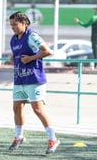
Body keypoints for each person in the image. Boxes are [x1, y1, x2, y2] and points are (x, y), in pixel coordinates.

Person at [8, 11, 60, 154]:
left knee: (38, 110)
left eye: (15, 24)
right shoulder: (13, 39)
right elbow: (16, 53)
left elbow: (47, 51)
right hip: (19, 79)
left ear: (24, 23)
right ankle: (19, 136)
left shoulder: (32, 36)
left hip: (34, 79)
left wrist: (30, 58)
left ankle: (53, 139)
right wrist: (13, 58)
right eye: (11, 25)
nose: (12, 27)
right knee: (16, 108)